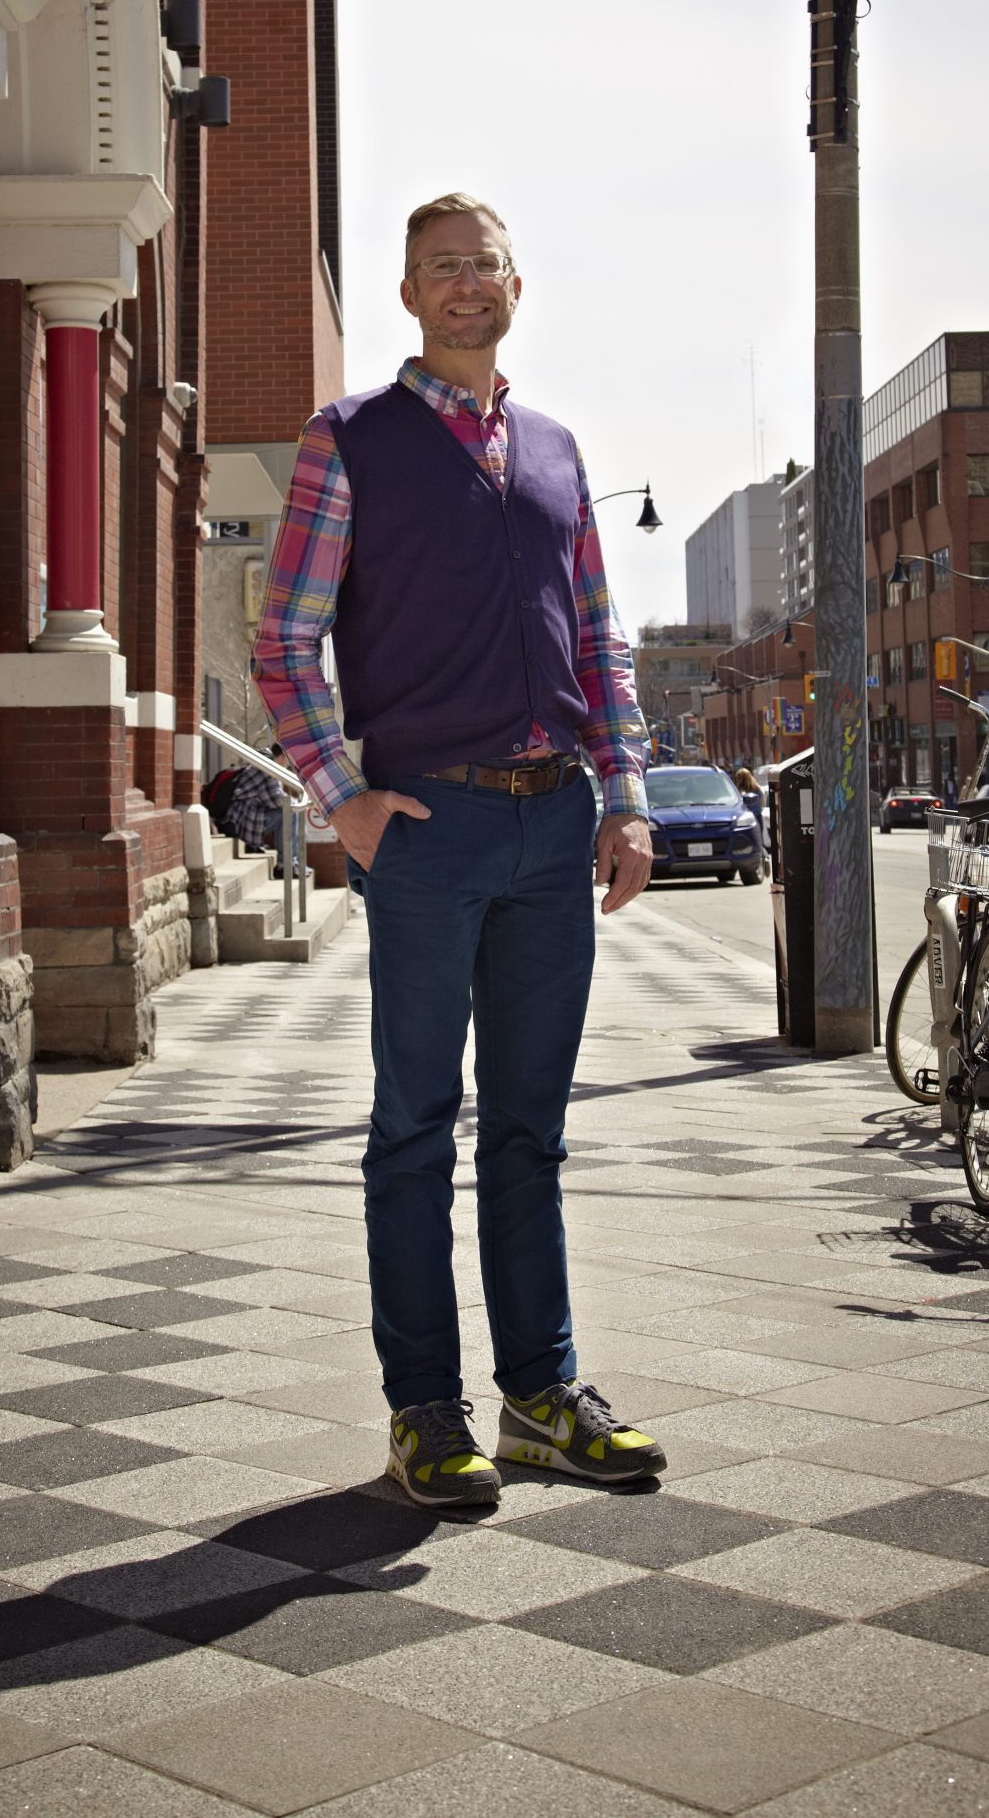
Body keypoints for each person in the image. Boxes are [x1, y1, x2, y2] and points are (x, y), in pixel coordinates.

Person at [253, 191, 662, 1509]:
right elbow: (284, 640)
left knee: (530, 1134)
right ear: (409, 295)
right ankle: (426, 1411)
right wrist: (341, 798)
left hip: (556, 827)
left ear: (515, 283)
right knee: (417, 1130)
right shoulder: (349, 440)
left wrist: (628, 791)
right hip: (427, 827)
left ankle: (541, 1399)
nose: (465, 283)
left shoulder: (553, 450)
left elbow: (599, 636)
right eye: (440, 268)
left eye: (482, 261)